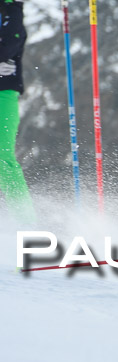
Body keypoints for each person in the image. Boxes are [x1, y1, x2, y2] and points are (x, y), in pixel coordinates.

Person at [0, 0, 35, 224]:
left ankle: (28, 227)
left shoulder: (10, 10)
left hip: (3, 93)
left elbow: (10, 43)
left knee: (3, 160)